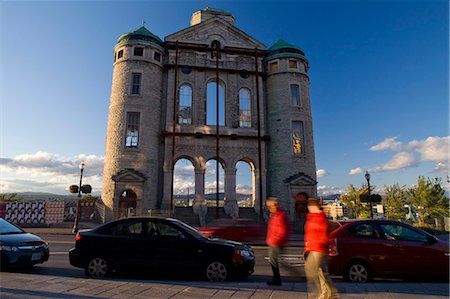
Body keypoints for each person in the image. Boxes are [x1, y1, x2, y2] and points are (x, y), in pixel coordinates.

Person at [304, 198, 338, 299]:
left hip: (319, 248)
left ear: (313, 206)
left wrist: (320, 244)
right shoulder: (311, 217)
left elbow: (323, 234)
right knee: (320, 271)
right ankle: (326, 292)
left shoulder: (320, 217)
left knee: (314, 270)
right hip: (313, 247)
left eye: (309, 206)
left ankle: (328, 291)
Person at [266, 197, 290, 286]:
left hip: (276, 243)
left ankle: (277, 280)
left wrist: (275, 240)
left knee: (275, 262)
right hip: (273, 242)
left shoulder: (280, 215)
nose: (269, 208)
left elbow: (282, 230)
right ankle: (276, 279)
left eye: (270, 206)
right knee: (274, 261)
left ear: (275, 205)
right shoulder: (275, 214)